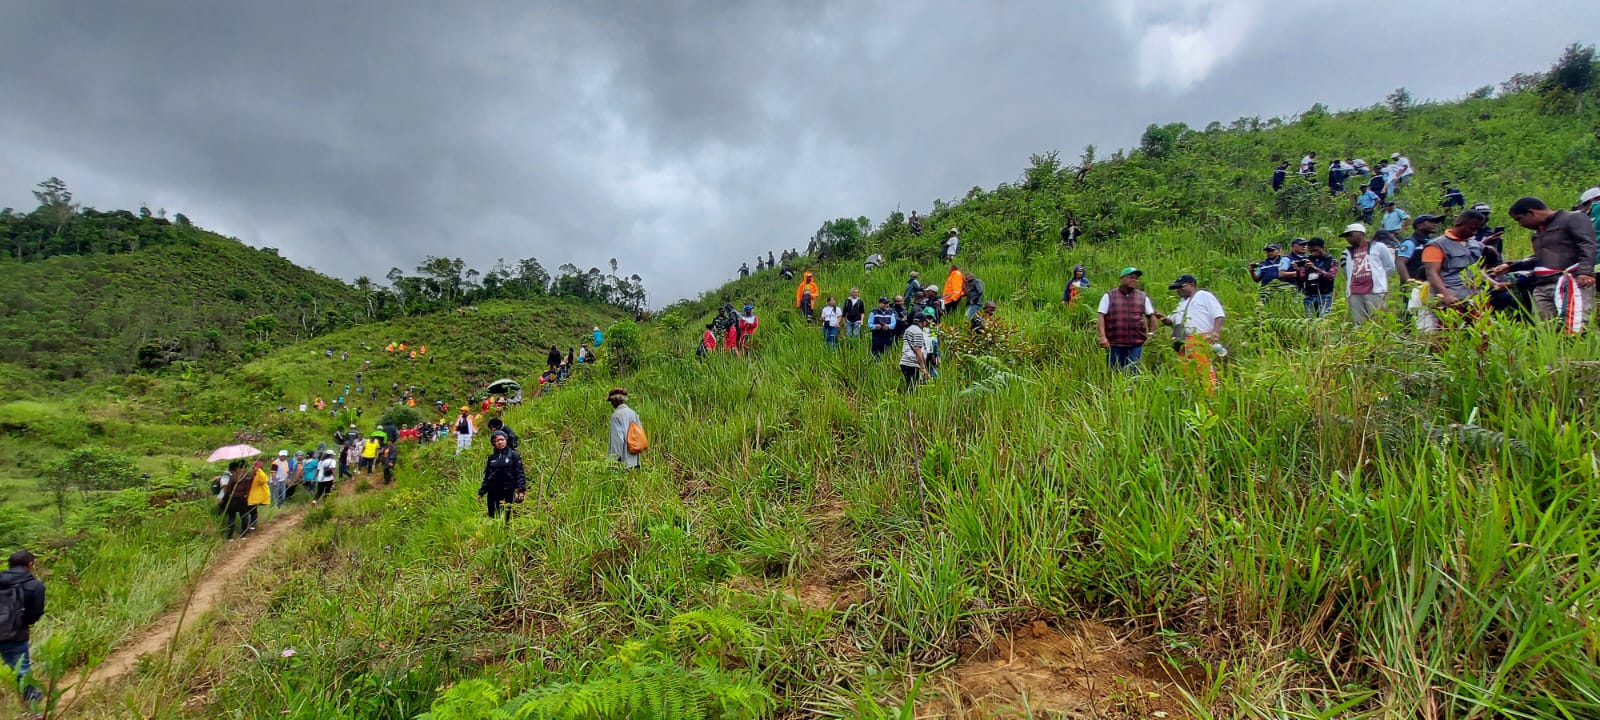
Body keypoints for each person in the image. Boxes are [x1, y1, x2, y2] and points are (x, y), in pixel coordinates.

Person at [1491, 197, 1598, 333]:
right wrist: (1511, 266)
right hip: (1542, 286)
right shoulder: (1538, 233)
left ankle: (1579, 353)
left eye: (1519, 219)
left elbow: (1588, 244)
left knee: (1577, 327)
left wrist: (1585, 271)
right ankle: (1555, 354)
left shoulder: (1573, 218)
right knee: (1546, 329)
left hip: (1572, 282)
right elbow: (1539, 258)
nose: (1520, 224)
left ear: (1531, 213)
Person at [1420, 210, 1490, 327]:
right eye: (1471, 228)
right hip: (1452, 299)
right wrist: (1445, 295)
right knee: (1450, 337)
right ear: (1459, 225)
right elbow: (1432, 273)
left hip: (1476, 297)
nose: (1474, 232)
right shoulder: (1436, 246)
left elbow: (1477, 270)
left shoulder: (1475, 245)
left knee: (1483, 334)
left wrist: (1494, 284)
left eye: (1477, 229)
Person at [1158, 274, 1225, 389]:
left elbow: (1219, 315)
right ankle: (1192, 394)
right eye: (1176, 288)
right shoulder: (1182, 303)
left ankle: (1208, 395)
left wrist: (1216, 332)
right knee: (1186, 370)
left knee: (1202, 368)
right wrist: (1162, 318)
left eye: (1181, 287)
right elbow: (1171, 321)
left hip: (1200, 338)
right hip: (1183, 341)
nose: (1178, 290)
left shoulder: (1203, 296)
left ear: (1191, 285)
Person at [0, 550, 47, 708]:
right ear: (30, 564)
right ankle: (32, 705)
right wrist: (21, 622)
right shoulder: (36, 585)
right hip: (14, 634)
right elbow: (35, 613)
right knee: (21, 668)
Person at [1096, 268, 1158, 372]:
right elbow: (1101, 316)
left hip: (1135, 344)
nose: (1134, 280)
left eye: (1137, 278)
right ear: (1122, 279)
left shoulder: (1142, 297)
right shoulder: (1109, 296)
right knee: (1114, 373)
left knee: (1132, 373)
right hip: (1114, 344)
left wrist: (1151, 334)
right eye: (1131, 277)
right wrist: (1103, 337)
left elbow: (1151, 316)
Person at [1338, 223, 1396, 327]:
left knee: (1377, 321)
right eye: (1346, 236)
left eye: (1350, 235)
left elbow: (1389, 266)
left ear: (1360, 233)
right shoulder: (1346, 253)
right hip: (1355, 292)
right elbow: (1346, 272)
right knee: (1359, 323)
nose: (1348, 238)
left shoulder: (1378, 247)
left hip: (1375, 291)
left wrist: (1379, 278)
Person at [477, 431, 526, 522]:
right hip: (493, 491)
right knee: (492, 516)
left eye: (502, 440)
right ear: (493, 443)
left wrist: (521, 490)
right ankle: (494, 534)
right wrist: (481, 492)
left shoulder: (514, 455)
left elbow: (519, 473)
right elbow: (488, 476)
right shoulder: (492, 458)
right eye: (497, 441)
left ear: (506, 440)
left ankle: (506, 533)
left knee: (506, 517)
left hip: (507, 490)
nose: (500, 442)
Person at [1397, 214, 1446, 283]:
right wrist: (1408, 283)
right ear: (1419, 226)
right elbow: (1400, 262)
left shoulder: (1432, 243)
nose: (1435, 225)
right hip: (1414, 285)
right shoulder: (1410, 242)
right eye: (1431, 222)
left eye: (1435, 223)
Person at [606, 388, 643, 470]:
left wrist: (613, 461)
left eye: (611, 401)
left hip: (623, 463)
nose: (611, 404)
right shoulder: (633, 413)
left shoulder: (616, 416)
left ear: (615, 401)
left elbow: (617, 440)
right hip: (635, 461)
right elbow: (639, 434)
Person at [219, 460, 254, 538]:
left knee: (231, 516)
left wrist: (224, 498)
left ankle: (229, 536)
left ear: (238, 467)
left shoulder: (234, 476)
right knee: (244, 515)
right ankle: (243, 534)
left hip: (233, 499)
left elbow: (228, 490)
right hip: (243, 498)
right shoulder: (248, 476)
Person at [899, 308, 932, 391]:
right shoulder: (918, 332)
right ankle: (909, 402)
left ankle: (907, 399)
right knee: (912, 388)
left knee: (909, 385)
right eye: (925, 321)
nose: (926, 324)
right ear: (922, 321)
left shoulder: (909, 329)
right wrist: (923, 367)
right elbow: (917, 349)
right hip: (912, 363)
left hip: (904, 361)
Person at [247, 460, 271, 531]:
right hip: (249, 496)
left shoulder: (259, 475)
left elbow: (264, 479)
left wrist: (258, 470)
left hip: (255, 497)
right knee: (249, 512)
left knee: (253, 512)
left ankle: (252, 526)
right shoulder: (252, 474)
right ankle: (249, 525)